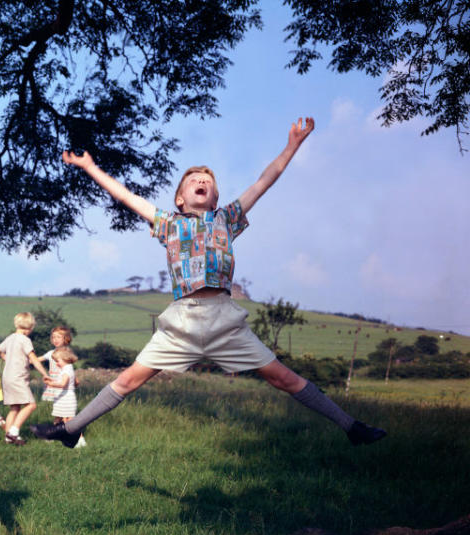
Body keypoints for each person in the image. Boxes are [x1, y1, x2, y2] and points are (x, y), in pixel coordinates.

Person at [34, 117, 386, 448]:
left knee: (284, 378)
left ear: (215, 197)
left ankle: (350, 427)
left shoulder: (228, 217)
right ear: (180, 197)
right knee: (128, 380)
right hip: (181, 322)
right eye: (193, 180)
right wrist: (90, 167)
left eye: (208, 181)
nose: (202, 182)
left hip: (224, 320)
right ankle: (71, 429)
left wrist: (292, 144)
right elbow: (125, 196)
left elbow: (265, 180)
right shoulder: (168, 223)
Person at [0, 312, 48, 445]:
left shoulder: (10, 338)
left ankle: (7, 438)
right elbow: (33, 359)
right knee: (31, 405)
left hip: (7, 377)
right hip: (17, 378)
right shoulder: (25, 340)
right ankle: (14, 432)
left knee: (15, 408)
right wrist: (45, 374)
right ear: (30, 327)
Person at [40, 326, 86, 447]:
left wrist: (52, 383)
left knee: (68, 418)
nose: (55, 339)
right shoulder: (53, 354)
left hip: (63, 391)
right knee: (58, 416)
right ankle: (53, 435)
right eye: (53, 337)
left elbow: (67, 377)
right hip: (60, 391)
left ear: (66, 338)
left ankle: (79, 439)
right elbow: (38, 359)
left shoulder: (66, 357)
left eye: (58, 337)